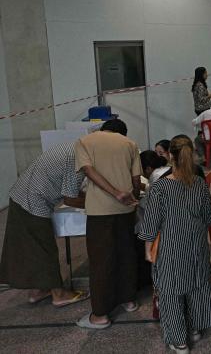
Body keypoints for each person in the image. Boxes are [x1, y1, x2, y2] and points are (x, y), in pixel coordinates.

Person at [139, 136, 211, 354]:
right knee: (197, 285)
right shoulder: (200, 183)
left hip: (171, 246)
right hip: (196, 245)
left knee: (171, 291)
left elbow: (151, 224)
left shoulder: (160, 188)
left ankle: (179, 340)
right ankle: (195, 328)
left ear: (170, 155)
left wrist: (148, 251)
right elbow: (208, 218)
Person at [0, 142, 90, 308]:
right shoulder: (81, 160)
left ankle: (39, 290)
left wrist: (86, 196)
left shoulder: (73, 148)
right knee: (45, 248)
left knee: (33, 248)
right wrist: (96, 204)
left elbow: (69, 187)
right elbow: (69, 199)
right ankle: (59, 294)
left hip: (21, 196)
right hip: (33, 202)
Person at [75, 119, 142, 329]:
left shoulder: (84, 142)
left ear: (103, 129)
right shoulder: (129, 144)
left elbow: (88, 171)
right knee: (126, 254)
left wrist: (115, 193)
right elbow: (137, 180)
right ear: (121, 132)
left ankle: (100, 315)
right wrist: (131, 198)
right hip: (125, 210)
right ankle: (129, 300)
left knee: (101, 260)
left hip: (99, 212)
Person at [136, 151, 170, 289]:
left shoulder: (156, 177)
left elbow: (149, 206)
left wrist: (136, 202)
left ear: (148, 168)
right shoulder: (168, 170)